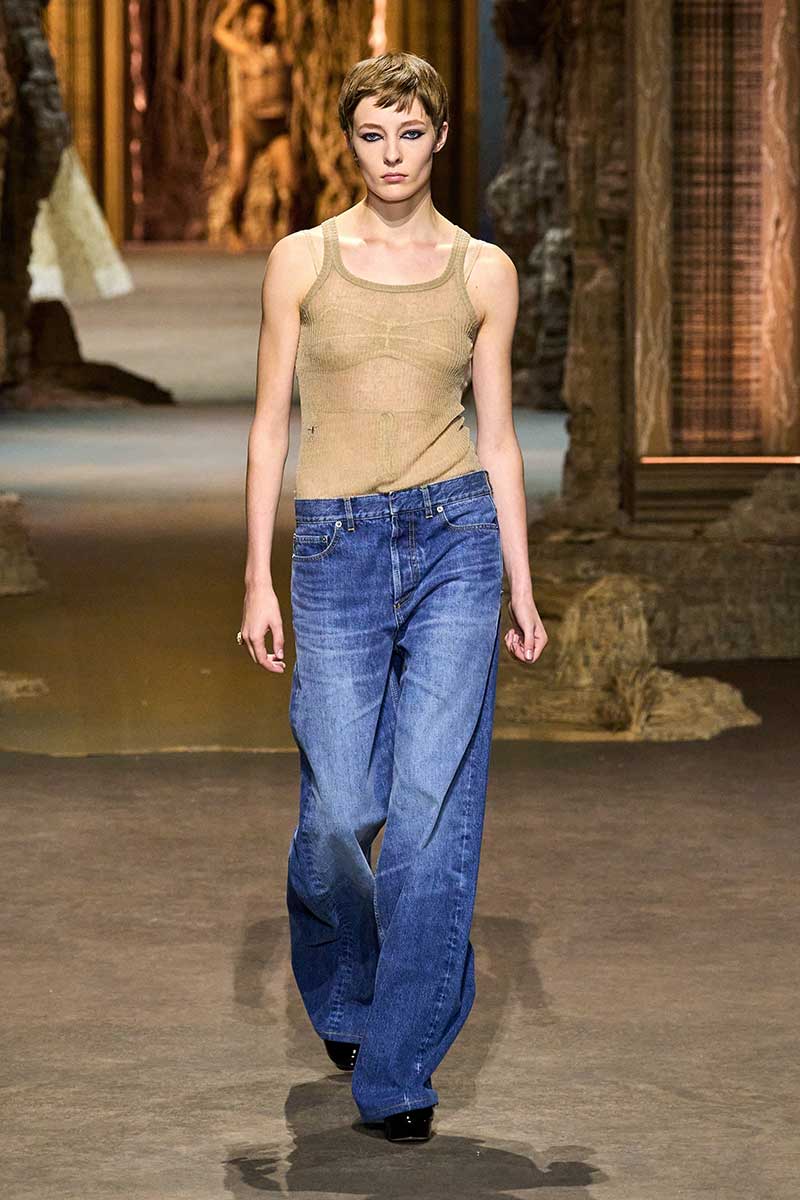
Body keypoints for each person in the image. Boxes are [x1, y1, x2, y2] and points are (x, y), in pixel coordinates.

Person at [238, 50, 547, 1142]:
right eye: (372, 135)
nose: (392, 155)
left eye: (410, 133)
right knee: (337, 815)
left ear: (439, 138)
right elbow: (269, 428)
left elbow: (499, 439)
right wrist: (256, 575)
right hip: (336, 547)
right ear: (349, 141)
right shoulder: (301, 261)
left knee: (428, 817)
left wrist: (521, 583)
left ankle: (400, 1066)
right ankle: (345, 990)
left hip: (456, 536)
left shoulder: (483, 272)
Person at [212, 0, 296, 248]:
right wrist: (235, 6)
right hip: (248, 127)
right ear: (247, 22)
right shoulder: (244, 50)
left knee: (292, 183)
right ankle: (235, 230)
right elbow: (219, 31)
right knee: (239, 181)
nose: (259, 24)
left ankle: (294, 233)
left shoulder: (282, 48)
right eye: (254, 18)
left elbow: (284, 14)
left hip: (276, 129)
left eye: (263, 18)